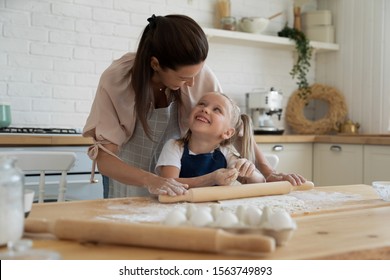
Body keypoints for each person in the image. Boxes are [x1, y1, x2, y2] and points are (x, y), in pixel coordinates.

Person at [83, 14, 306, 199]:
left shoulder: (197, 75)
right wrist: (151, 179)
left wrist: (269, 172)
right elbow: (105, 159)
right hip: (128, 178)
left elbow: (232, 126)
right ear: (155, 64)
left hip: (179, 187)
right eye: (183, 78)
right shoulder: (117, 81)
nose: (192, 83)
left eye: (196, 74)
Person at [156, 92, 265, 187]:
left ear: (227, 133)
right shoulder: (174, 146)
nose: (205, 109)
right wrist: (211, 179)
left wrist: (249, 170)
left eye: (217, 109)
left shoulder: (226, 154)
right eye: (201, 104)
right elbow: (168, 183)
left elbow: (260, 182)